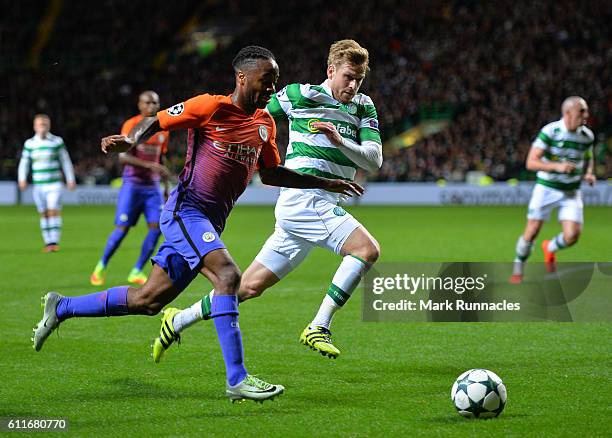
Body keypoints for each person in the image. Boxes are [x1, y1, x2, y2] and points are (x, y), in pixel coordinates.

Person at [32, 46, 363, 403]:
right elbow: (157, 120)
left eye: (275, 83)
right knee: (228, 276)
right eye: (266, 81)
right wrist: (131, 140)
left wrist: (324, 182)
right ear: (242, 77)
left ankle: (61, 307)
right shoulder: (211, 106)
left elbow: (270, 173)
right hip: (185, 212)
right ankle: (237, 379)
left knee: (148, 300)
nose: (271, 89)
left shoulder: (264, 124)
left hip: (208, 222)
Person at [152, 39, 382, 362]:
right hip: (304, 200)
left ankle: (177, 320)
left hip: (320, 205)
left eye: (359, 79)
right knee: (366, 250)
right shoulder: (298, 95)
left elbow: (373, 161)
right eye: (348, 76)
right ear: (331, 71)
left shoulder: (363, 106)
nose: (353, 85)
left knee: (246, 287)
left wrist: (339, 140)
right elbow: (251, 115)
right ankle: (319, 325)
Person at [510, 96, 595, 284]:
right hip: (546, 189)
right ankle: (518, 268)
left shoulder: (587, 136)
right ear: (567, 113)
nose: (586, 115)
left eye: (586, 111)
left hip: (571, 191)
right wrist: (557, 167)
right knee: (532, 230)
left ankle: (550, 247)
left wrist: (588, 173)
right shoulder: (550, 131)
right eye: (582, 111)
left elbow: (588, 157)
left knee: (572, 236)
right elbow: (531, 162)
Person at [90, 91, 170, 286]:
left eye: (155, 102)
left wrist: (166, 186)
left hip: (152, 187)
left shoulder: (163, 129)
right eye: (148, 102)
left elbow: (161, 159)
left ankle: (136, 270)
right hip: (132, 185)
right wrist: (150, 166)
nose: (152, 106)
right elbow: (123, 157)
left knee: (157, 227)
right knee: (122, 228)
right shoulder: (131, 124)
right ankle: (100, 267)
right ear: (140, 105)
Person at [18, 114, 76, 252]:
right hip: (38, 185)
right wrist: (22, 178)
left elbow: (65, 161)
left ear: (49, 126)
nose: (42, 126)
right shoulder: (30, 144)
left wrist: (70, 179)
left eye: (45, 124)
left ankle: (54, 242)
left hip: (54, 184)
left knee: (53, 210)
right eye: (40, 124)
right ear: (35, 126)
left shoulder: (56, 142)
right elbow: (24, 163)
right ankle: (47, 242)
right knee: (43, 213)